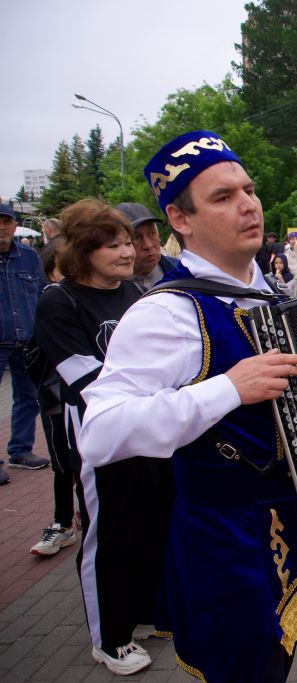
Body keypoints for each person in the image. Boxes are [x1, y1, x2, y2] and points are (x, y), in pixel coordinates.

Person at [77, 131, 297, 681]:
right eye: (223, 196)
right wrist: (227, 388)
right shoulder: (165, 314)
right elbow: (100, 433)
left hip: (285, 523)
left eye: (249, 189)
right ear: (179, 220)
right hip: (221, 539)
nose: (249, 204)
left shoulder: (276, 298)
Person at [34, 199, 169, 674]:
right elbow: (82, 379)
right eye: (112, 244)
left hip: (148, 427)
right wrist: (153, 401)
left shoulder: (134, 294)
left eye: (127, 242)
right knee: (107, 531)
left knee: (151, 517)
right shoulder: (60, 300)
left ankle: (147, 612)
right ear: (84, 250)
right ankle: (109, 638)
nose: (127, 251)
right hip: (101, 434)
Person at [29, 237, 80, 556]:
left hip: (87, 400)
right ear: (51, 271)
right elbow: (37, 359)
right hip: (58, 398)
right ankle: (63, 523)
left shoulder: (90, 298)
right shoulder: (52, 301)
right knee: (64, 463)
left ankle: (78, 517)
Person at [0, 202, 49, 486]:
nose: (3, 227)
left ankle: (21, 450)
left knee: (28, 399)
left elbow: (42, 295)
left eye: (7, 221)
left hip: (27, 342)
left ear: (14, 225)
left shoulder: (30, 257)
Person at [114, 202, 180, 292]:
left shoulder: (183, 271)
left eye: (152, 234)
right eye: (136, 237)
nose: (148, 245)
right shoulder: (110, 286)